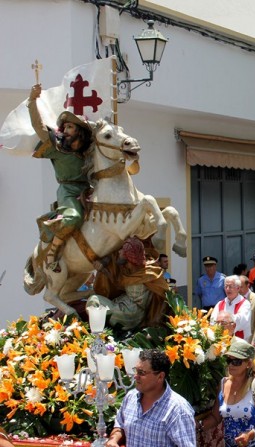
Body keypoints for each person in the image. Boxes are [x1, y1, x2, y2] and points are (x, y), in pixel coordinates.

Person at [28, 84, 93, 271]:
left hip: (89, 189)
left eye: (70, 127)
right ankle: (53, 252)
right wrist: (32, 100)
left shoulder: (89, 150)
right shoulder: (57, 147)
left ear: (79, 131)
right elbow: (38, 126)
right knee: (73, 218)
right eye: (65, 127)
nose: (65, 130)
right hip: (68, 191)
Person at [106, 349, 196, 447]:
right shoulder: (131, 397)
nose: (135, 376)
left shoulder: (178, 410)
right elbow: (120, 425)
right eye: (136, 370)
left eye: (141, 373)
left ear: (160, 377)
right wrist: (113, 440)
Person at [198, 339, 255, 447]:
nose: (231, 365)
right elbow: (216, 417)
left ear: (248, 363)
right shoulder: (223, 383)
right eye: (228, 360)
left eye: (236, 361)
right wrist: (198, 426)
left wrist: (250, 435)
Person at [90, 237, 169, 331]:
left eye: (122, 250)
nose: (119, 252)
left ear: (129, 255)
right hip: (122, 305)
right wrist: (103, 270)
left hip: (131, 315)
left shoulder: (149, 273)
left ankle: (97, 335)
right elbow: (118, 283)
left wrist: (155, 322)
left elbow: (164, 295)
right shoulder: (128, 270)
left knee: (93, 301)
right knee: (95, 301)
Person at [210, 276, 252, 342]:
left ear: (238, 288)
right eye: (226, 286)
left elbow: (242, 320)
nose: (227, 289)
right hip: (221, 341)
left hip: (239, 341)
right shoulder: (220, 304)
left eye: (230, 286)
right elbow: (213, 321)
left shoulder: (245, 303)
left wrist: (224, 322)